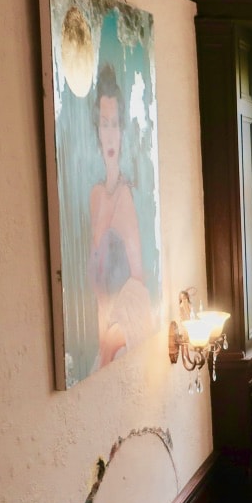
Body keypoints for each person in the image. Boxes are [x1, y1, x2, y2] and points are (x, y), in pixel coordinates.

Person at [88, 63, 153, 368]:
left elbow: (138, 281)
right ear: (97, 130)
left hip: (122, 333)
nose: (110, 134)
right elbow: (95, 279)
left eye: (115, 124)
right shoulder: (96, 195)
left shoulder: (126, 196)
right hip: (103, 332)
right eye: (104, 124)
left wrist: (115, 335)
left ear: (122, 130)